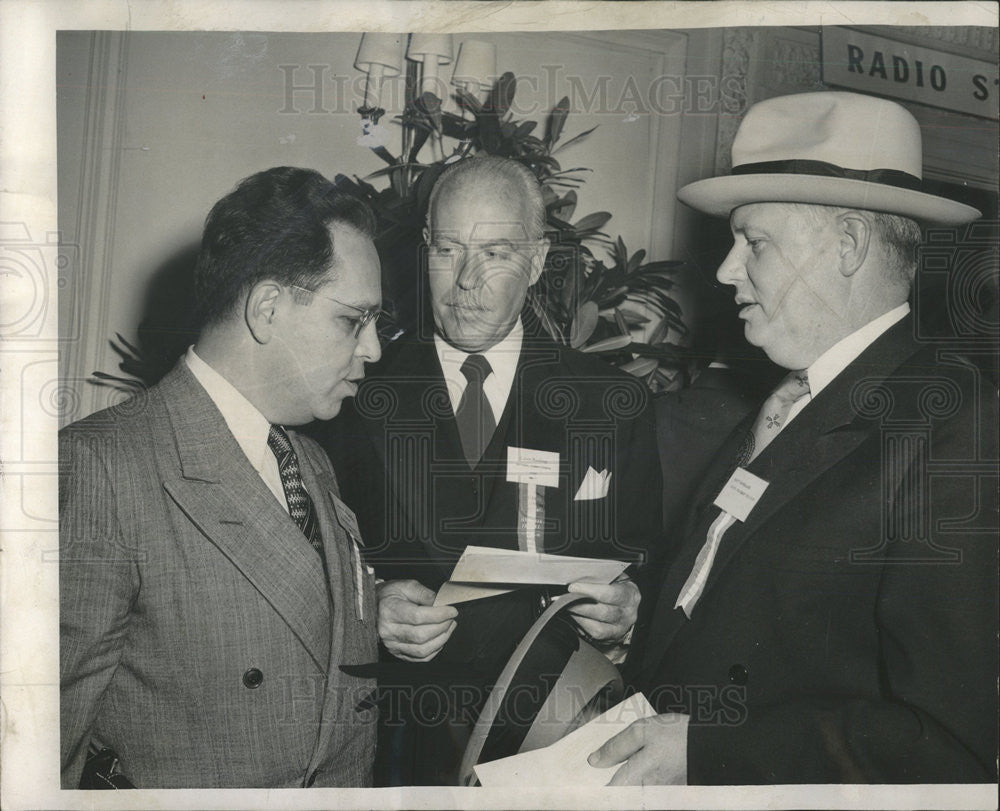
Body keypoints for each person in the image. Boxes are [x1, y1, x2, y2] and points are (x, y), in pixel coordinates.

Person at [590, 91, 998, 783]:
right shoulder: (789, 394)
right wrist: (649, 620)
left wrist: (709, 750)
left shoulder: (958, 427)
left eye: (755, 241)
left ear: (847, 245)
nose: (724, 271)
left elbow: (951, 744)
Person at [319, 156, 663, 784]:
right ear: (423, 248)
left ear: (536, 260)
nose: (466, 281)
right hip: (399, 745)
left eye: (496, 253)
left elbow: (650, 564)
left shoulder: (613, 404)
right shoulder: (350, 394)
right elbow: (304, 563)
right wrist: (371, 609)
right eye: (447, 249)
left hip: (555, 744)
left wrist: (627, 616)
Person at [59, 167, 384, 788]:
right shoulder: (100, 467)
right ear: (267, 309)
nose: (373, 348)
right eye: (353, 320)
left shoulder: (310, 459)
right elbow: (40, 755)